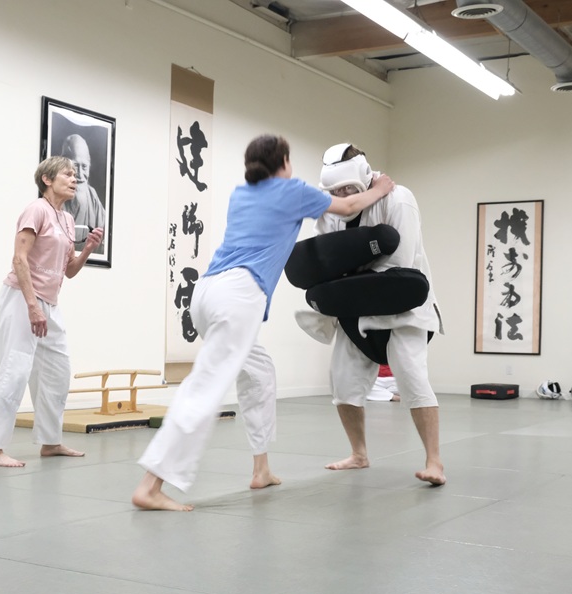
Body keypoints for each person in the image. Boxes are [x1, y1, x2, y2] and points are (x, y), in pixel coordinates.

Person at [132, 134, 395, 511]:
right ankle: (151, 485)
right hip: (238, 296)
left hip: (206, 293)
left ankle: (262, 469)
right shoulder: (292, 191)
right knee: (205, 389)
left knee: (259, 373)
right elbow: (350, 204)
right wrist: (381, 186)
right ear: (284, 162)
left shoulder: (241, 193)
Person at [314, 143, 445, 485]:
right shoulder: (330, 211)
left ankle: (434, 461)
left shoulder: (398, 198)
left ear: (363, 176)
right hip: (355, 306)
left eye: (346, 189)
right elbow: (329, 259)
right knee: (342, 381)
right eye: (335, 190)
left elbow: (399, 262)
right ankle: (358, 454)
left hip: (403, 305)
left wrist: (350, 273)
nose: (341, 195)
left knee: (412, 377)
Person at [0, 156, 105, 467]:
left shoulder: (64, 218)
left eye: (76, 175)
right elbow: (19, 259)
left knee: (57, 370)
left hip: (49, 303)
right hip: (22, 299)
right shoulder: (36, 209)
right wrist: (32, 306)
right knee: (15, 370)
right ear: (48, 179)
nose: (74, 179)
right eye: (68, 174)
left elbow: (70, 271)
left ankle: (51, 442)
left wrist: (88, 248)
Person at [61, 134, 106, 252]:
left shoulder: (93, 196)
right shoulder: (55, 199)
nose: (80, 174)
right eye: (75, 166)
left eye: (84, 166)